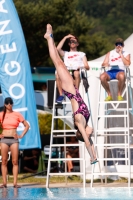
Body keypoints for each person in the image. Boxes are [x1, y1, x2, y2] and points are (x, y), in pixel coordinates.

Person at [44, 24, 97, 165]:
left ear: (82, 132)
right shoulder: (86, 122)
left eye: (88, 134)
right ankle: (49, 38)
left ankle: (49, 38)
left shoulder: (80, 121)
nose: (92, 133)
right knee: (59, 63)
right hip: (74, 89)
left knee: (58, 63)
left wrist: (92, 157)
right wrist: (96, 156)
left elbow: (87, 141)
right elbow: (91, 142)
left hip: (71, 91)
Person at [0, 97, 29, 188]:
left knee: (15, 161)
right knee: (4, 161)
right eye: (7, 103)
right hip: (4, 139)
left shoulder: (17, 114)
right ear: (4, 104)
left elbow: (27, 125)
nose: (9, 104)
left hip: (14, 139)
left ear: (12, 104)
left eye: (11, 102)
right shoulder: (1, 114)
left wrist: (21, 135)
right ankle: (4, 183)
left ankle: (15, 183)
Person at [56, 34, 89, 103]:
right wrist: (65, 37)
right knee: (57, 74)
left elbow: (87, 66)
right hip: (67, 71)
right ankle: (61, 95)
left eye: (74, 41)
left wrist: (81, 66)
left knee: (76, 73)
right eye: (71, 41)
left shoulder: (81, 54)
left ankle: (75, 93)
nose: (73, 42)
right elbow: (58, 49)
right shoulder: (66, 54)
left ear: (77, 44)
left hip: (76, 71)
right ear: (69, 44)